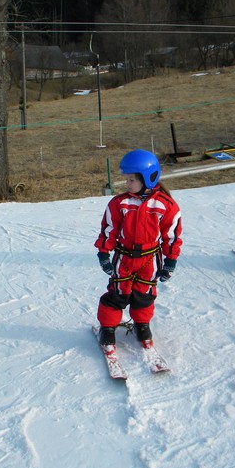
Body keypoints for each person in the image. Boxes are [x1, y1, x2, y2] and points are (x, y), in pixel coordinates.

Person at [94, 150, 182, 355]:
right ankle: (107, 328)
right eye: (127, 179)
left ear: (148, 178)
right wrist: (103, 253)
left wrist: (170, 261)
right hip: (123, 258)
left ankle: (142, 324)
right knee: (118, 293)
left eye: (132, 179)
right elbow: (109, 230)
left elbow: (172, 236)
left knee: (144, 294)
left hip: (149, 259)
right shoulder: (119, 203)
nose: (127, 184)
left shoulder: (166, 205)